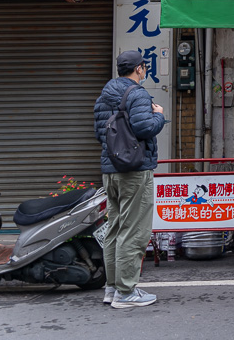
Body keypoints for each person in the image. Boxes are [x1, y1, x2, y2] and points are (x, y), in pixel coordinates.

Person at [93, 50, 165, 309]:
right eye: (143, 68)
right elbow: (145, 128)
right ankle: (126, 292)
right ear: (139, 68)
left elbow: (99, 133)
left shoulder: (104, 96)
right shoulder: (138, 94)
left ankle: (112, 288)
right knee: (134, 230)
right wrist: (159, 114)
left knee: (115, 228)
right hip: (134, 170)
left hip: (110, 169)